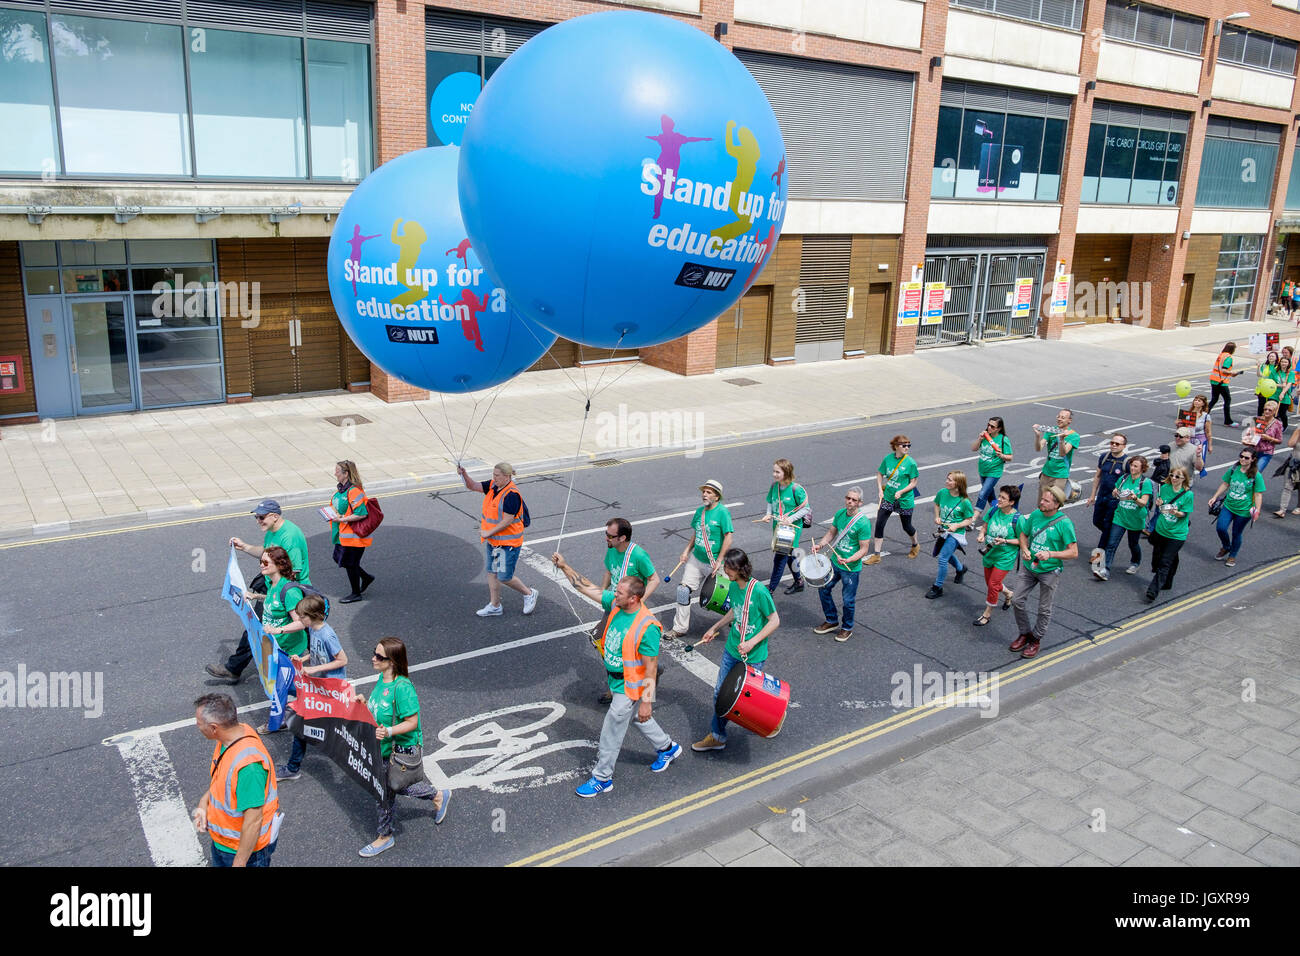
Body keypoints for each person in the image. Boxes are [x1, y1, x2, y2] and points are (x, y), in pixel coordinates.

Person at [551, 565, 681, 795]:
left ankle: (602, 779)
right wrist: (563, 566)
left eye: (619, 593)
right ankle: (667, 747)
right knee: (641, 720)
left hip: (629, 687)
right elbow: (587, 587)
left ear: (633, 598)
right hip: (616, 680)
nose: (614, 594)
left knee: (611, 731)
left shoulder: (647, 627)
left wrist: (646, 702)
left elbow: (651, 668)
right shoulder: (616, 604)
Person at [355, 638, 450, 857]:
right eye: (374, 653)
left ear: (392, 661)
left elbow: (412, 723)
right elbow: (379, 712)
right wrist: (363, 705)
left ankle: (385, 836)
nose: (373, 658)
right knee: (393, 787)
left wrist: (388, 732)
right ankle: (437, 796)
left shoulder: (403, 688)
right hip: (383, 748)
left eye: (379, 656)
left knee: (388, 789)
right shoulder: (382, 679)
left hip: (400, 751)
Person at [206, 499, 311, 684]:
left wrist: (273, 595)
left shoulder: (290, 537)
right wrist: (244, 547)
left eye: (261, 517)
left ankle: (236, 669)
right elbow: (265, 552)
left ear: (275, 516)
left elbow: (293, 571)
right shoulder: (272, 532)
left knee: (263, 626)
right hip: (275, 588)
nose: (258, 521)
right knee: (260, 626)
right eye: (256, 517)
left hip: (288, 591)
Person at [692, 549, 780, 753]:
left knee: (752, 700)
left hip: (753, 654)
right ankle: (717, 736)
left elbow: (774, 620)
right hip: (732, 649)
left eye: (729, 568)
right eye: (725, 567)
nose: (726, 571)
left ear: (741, 569)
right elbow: (735, 611)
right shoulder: (732, 587)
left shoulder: (758, 591)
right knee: (719, 695)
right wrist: (714, 628)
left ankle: (772, 718)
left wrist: (752, 642)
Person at [192, 693, 280, 868]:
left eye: (199, 724)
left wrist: (239, 863)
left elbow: (253, 821)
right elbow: (224, 781)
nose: (197, 726)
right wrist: (204, 802)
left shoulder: (250, 767)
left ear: (214, 728)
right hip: (224, 844)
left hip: (242, 853)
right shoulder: (230, 737)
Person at [277, 594, 347, 781]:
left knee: (303, 725)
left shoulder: (327, 634)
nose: (299, 619)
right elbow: (317, 653)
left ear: (314, 615)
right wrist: (304, 659)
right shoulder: (313, 630)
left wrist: (315, 668)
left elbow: (342, 660)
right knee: (316, 725)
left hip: (330, 689)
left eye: (302, 616)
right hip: (318, 687)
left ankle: (293, 768)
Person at [458, 462, 538, 618]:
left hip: (507, 544)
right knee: (492, 573)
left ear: (507, 476)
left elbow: (507, 520)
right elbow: (473, 486)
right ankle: (495, 606)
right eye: (493, 475)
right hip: (495, 542)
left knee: (504, 577)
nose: (493, 478)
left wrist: (488, 532)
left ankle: (529, 593)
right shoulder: (493, 486)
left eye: (497, 475)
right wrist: (464, 474)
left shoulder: (511, 495)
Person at [1009, 486, 1078, 660]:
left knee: (1044, 609)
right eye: (1042, 499)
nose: (1041, 502)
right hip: (1029, 566)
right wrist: (1024, 548)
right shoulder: (1035, 514)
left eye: (1046, 501)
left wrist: (1051, 554)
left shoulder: (1064, 523)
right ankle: (1024, 633)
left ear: (1056, 505)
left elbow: (1073, 552)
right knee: (1017, 600)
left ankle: (1036, 640)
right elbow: (1023, 534)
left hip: (1049, 570)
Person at [665, 480, 733, 640]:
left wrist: (719, 561)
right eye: (704, 491)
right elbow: (697, 534)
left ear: (717, 496)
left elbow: (728, 538)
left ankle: (736, 618)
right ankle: (680, 628)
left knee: (726, 598)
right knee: (683, 591)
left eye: (709, 492)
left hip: (716, 562)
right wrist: (686, 551)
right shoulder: (699, 512)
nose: (705, 494)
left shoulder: (722, 512)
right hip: (696, 560)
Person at [252, 546, 308, 735]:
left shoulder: (290, 591)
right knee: (290, 686)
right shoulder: (272, 583)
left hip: (290, 651)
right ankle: (307, 704)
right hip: (276, 649)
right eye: (261, 561)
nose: (262, 565)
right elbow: (273, 600)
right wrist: (256, 596)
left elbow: (301, 622)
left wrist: (277, 629)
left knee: (280, 688)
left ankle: (277, 722)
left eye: (266, 562)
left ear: (279, 564)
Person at [810, 486, 872, 642]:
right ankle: (831, 620)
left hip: (851, 568)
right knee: (823, 589)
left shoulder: (863, 523)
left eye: (854, 500)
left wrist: (850, 559)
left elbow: (864, 549)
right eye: (848, 498)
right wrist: (820, 545)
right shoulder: (839, 514)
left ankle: (847, 628)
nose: (850, 502)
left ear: (860, 503)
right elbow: (831, 533)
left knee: (848, 600)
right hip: (835, 563)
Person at [1096, 455, 1152, 581]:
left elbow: (1144, 502)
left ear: (1142, 468)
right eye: (1132, 465)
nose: (1132, 468)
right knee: (1111, 544)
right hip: (1120, 516)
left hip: (1135, 519)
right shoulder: (1124, 478)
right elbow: (1116, 490)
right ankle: (1106, 570)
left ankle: (1135, 562)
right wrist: (1115, 492)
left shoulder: (1145, 483)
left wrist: (1135, 498)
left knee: (1133, 544)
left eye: (1135, 466)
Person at [867, 435, 921, 564]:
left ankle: (915, 544)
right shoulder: (888, 459)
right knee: (879, 523)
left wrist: (901, 491)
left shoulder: (911, 463)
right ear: (896, 446)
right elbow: (880, 473)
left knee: (906, 526)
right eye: (904, 445)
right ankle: (876, 555)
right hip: (889, 497)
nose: (907, 448)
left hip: (904, 500)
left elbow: (913, 483)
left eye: (909, 445)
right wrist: (880, 490)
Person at [1209, 448, 1264, 568]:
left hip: (1244, 511)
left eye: (1246, 458)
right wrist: (1215, 497)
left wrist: (1257, 510)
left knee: (1236, 533)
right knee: (1221, 528)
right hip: (1228, 506)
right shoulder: (1233, 469)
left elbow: (1258, 494)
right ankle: (1226, 546)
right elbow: (1225, 483)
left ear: (1253, 459)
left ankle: (1232, 555)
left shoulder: (1256, 476)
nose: (1243, 459)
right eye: (1241, 456)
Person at [1145, 467, 1193, 603]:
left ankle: (1152, 591)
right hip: (1161, 530)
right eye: (1172, 475)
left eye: (1177, 476)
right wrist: (1159, 504)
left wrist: (1175, 512)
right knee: (1162, 558)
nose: (1173, 478)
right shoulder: (1165, 488)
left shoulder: (1188, 495)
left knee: (1165, 562)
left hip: (1176, 534)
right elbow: (1161, 507)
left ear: (1184, 479)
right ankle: (1168, 581)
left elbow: (1184, 514)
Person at [328, 460, 374, 604]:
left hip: (353, 536)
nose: (335, 473)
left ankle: (356, 593)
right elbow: (338, 507)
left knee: (350, 563)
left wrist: (341, 519)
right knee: (340, 559)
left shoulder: (354, 491)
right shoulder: (340, 490)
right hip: (342, 535)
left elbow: (361, 513)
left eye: (337, 471)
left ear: (346, 474)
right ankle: (366, 577)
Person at [974, 485, 1020, 627]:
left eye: (1003, 498)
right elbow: (984, 526)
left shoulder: (1018, 519)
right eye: (999, 496)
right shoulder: (994, 510)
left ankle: (987, 613)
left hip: (1005, 557)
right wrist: (981, 535)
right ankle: (1008, 594)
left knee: (993, 584)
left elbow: (1022, 541)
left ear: (1011, 502)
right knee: (991, 584)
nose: (998, 499)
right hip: (990, 553)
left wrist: (1005, 541)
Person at [926, 471, 975, 600]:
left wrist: (957, 525)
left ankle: (938, 587)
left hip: (956, 534)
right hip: (943, 530)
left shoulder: (964, 502)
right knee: (946, 554)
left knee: (942, 558)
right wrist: (937, 516)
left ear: (958, 483)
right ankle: (960, 568)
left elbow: (969, 520)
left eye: (950, 480)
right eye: (947, 479)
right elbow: (936, 504)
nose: (947, 481)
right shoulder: (942, 492)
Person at [764, 459, 809, 594]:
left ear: (786, 472)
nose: (774, 474)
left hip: (791, 530)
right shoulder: (774, 486)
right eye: (774, 471)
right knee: (790, 555)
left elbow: (805, 509)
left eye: (778, 472)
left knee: (780, 558)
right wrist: (768, 514)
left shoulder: (796, 489)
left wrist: (790, 519)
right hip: (778, 527)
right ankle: (799, 582)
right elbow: (770, 502)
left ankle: (770, 590)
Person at [1086, 432, 1128, 570]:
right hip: (1102, 496)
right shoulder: (1104, 457)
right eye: (1112, 443)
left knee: (1107, 526)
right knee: (1096, 521)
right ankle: (1111, 536)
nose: (1114, 445)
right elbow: (1097, 476)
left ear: (1124, 446)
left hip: (1114, 500)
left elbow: (1130, 482)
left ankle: (1098, 555)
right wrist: (1092, 495)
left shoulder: (1127, 462)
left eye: (1117, 444)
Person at [1033, 409, 1079, 505]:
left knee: (1053, 504)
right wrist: (1037, 436)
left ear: (1069, 421)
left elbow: (1063, 453)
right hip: (1046, 473)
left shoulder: (1073, 436)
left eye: (1063, 418)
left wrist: (1061, 439)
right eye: (1058, 416)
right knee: (1041, 504)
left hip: (1060, 475)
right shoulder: (1051, 431)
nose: (1059, 419)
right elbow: (1038, 448)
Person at [971, 417, 1013, 520]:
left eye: (992, 426)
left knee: (983, 493)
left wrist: (1002, 456)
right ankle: (998, 513)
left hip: (994, 472)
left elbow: (1010, 457)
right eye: (988, 425)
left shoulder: (1003, 439)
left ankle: (973, 519)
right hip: (982, 470)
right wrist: (980, 439)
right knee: (990, 495)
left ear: (998, 429)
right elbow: (973, 448)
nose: (989, 428)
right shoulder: (985, 436)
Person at [1207, 341, 1244, 427]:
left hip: (1214, 380)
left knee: (1214, 399)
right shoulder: (1228, 357)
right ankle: (1228, 421)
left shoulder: (1221, 355)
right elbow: (1224, 369)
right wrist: (1232, 373)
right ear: (1232, 349)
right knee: (1227, 400)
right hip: (1221, 382)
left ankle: (1203, 417)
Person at [1246, 400, 1285, 474]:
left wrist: (1269, 438)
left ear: (1274, 412)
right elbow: (1249, 435)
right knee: (1246, 472)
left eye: (1270, 410)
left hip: (1266, 453)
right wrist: (1249, 436)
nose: (1267, 411)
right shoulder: (1257, 420)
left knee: (1256, 473)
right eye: (1265, 409)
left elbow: (1279, 441)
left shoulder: (1277, 424)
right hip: (1252, 451)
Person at [1143, 444, 1173, 537]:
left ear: (1167, 453)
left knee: (1157, 508)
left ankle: (1150, 528)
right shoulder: (1161, 461)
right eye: (1161, 453)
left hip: (1160, 485)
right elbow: (1155, 462)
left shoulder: (1168, 465)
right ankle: (1148, 526)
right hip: (1153, 482)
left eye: (1163, 453)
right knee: (1149, 503)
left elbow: (1164, 478)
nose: (1162, 454)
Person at [1275, 428, 1300, 517]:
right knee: (1287, 486)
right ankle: (1282, 510)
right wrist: (1297, 431)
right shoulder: (1298, 431)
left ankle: (1299, 507)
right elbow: (1290, 444)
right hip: (1294, 464)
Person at [1188, 394, 1213, 468]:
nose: (1196, 402)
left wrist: (1210, 445)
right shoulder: (1188, 414)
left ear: (1203, 404)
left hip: (1200, 440)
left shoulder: (1206, 416)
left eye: (1199, 401)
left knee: (1198, 463)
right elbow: (1181, 428)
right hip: (1188, 439)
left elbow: (1208, 432)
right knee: (1187, 461)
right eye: (1195, 400)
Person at [1255, 352, 1280, 418]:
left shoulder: (1277, 367)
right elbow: (1259, 375)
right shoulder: (1264, 365)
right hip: (1263, 389)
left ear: (1276, 358)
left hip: (1272, 390)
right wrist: (1258, 367)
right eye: (1269, 356)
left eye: (1272, 356)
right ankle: (1259, 422)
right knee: (1261, 406)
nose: (1271, 357)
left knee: (1271, 407)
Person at [1273, 357, 1294, 430]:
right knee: (1272, 411)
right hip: (1274, 395)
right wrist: (1280, 385)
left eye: (1285, 362)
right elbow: (1271, 382)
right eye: (1282, 362)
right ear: (1280, 362)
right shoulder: (1275, 371)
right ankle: (1272, 426)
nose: (1283, 363)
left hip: (1285, 396)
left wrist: (1282, 393)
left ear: (1288, 364)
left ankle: (1284, 425)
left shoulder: (1290, 373)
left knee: (1282, 413)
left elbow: (1289, 384)